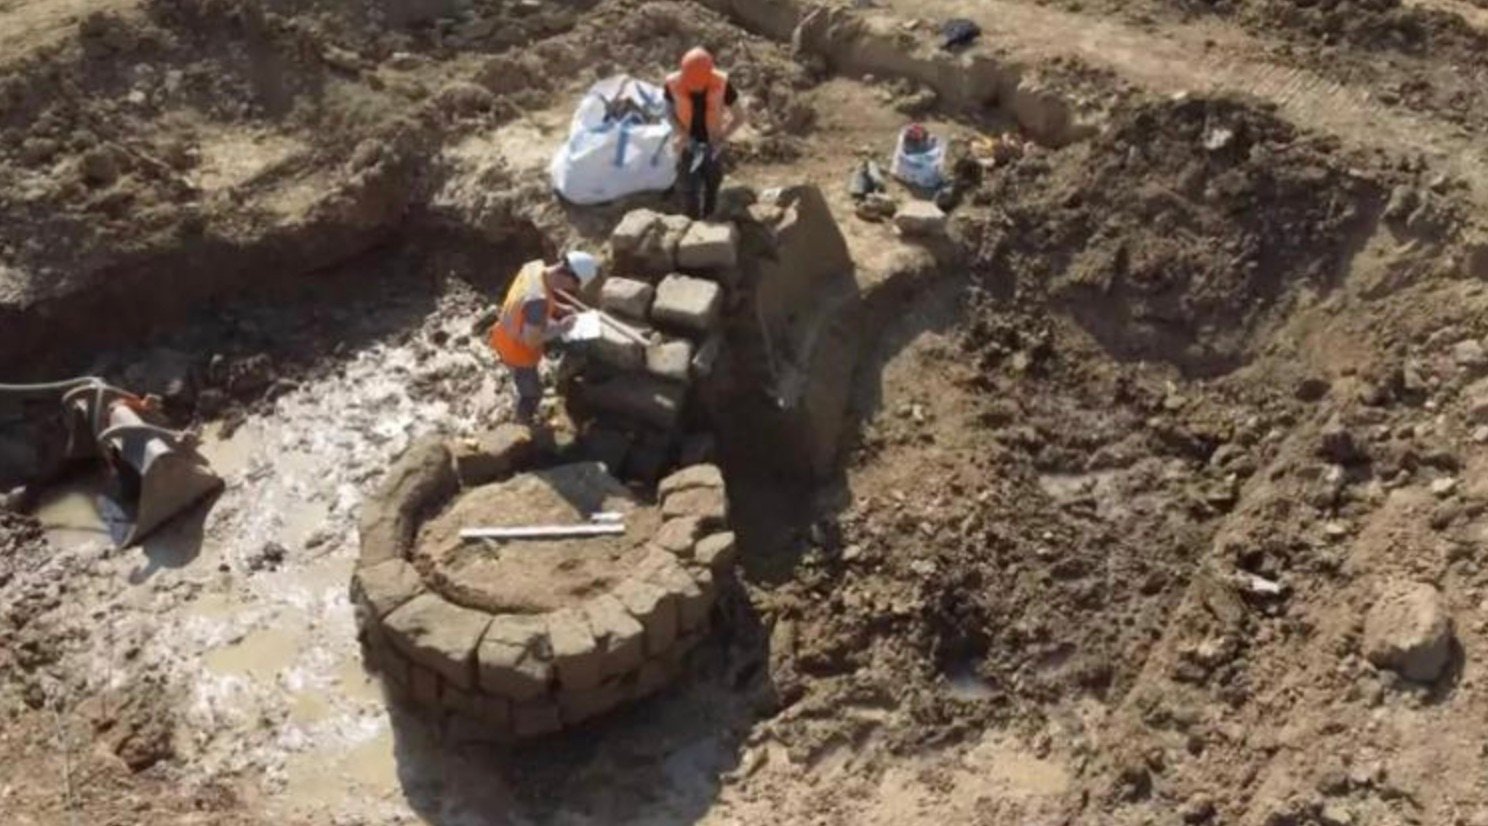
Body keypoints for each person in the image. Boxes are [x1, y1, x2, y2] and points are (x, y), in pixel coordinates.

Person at [488, 251, 600, 424]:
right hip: (517, 351)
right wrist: (562, 327)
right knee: (532, 395)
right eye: (574, 286)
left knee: (572, 339)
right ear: (569, 277)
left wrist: (558, 308)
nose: (571, 290)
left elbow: (532, 299)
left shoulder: (534, 268)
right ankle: (521, 425)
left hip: (506, 331)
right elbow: (531, 340)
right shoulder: (537, 302)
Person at [664, 47, 747, 219]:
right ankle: (691, 222)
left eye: (698, 85)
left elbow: (740, 116)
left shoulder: (722, 83)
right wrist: (681, 133)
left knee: (712, 184)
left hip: (713, 144)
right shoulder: (672, 84)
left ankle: (711, 218)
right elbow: (669, 113)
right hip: (687, 144)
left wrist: (723, 136)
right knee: (688, 187)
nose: (695, 89)